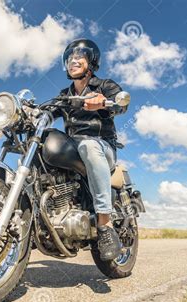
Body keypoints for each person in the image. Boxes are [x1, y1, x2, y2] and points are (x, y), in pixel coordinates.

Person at [54, 38, 128, 261]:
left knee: (88, 145)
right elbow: (49, 108)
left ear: (91, 61)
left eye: (79, 56)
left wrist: (105, 102)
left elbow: (122, 102)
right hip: (74, 148)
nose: (73, 60)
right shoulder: (65, 94)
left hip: (101, 145)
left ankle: (105, 226)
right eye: (69, 57)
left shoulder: (103, 85)